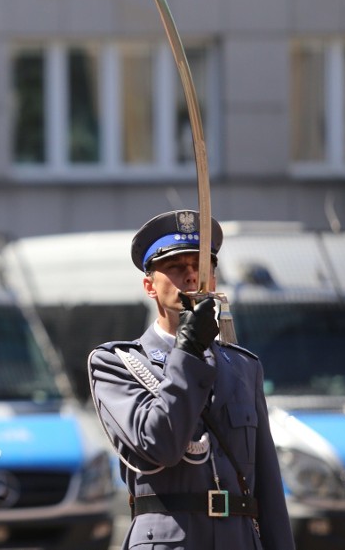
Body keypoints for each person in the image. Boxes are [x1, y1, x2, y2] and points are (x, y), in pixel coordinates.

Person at [87, 209, 294, 550]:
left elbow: (268, 489)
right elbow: (160, 445)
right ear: (149, 286)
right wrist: (188, 353)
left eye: (200, 268)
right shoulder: (116, 363)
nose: (191, 278)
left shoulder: (243, 365)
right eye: (175, 268)